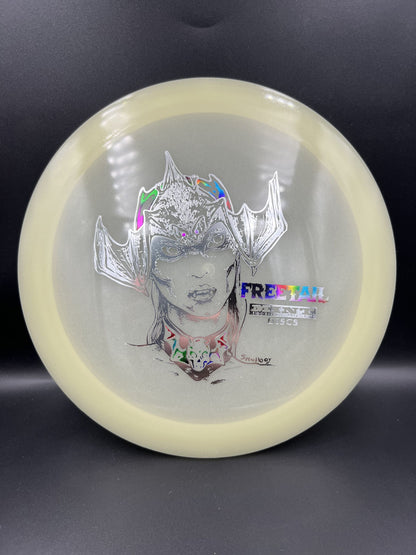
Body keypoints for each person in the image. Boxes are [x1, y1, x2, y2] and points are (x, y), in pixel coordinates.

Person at [94, 152, 287, 380]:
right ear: (145, 264)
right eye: (171, 251)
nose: (200, 271)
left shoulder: (275, 359)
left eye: (216, 241)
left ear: (239, 243)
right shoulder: (121, 370)